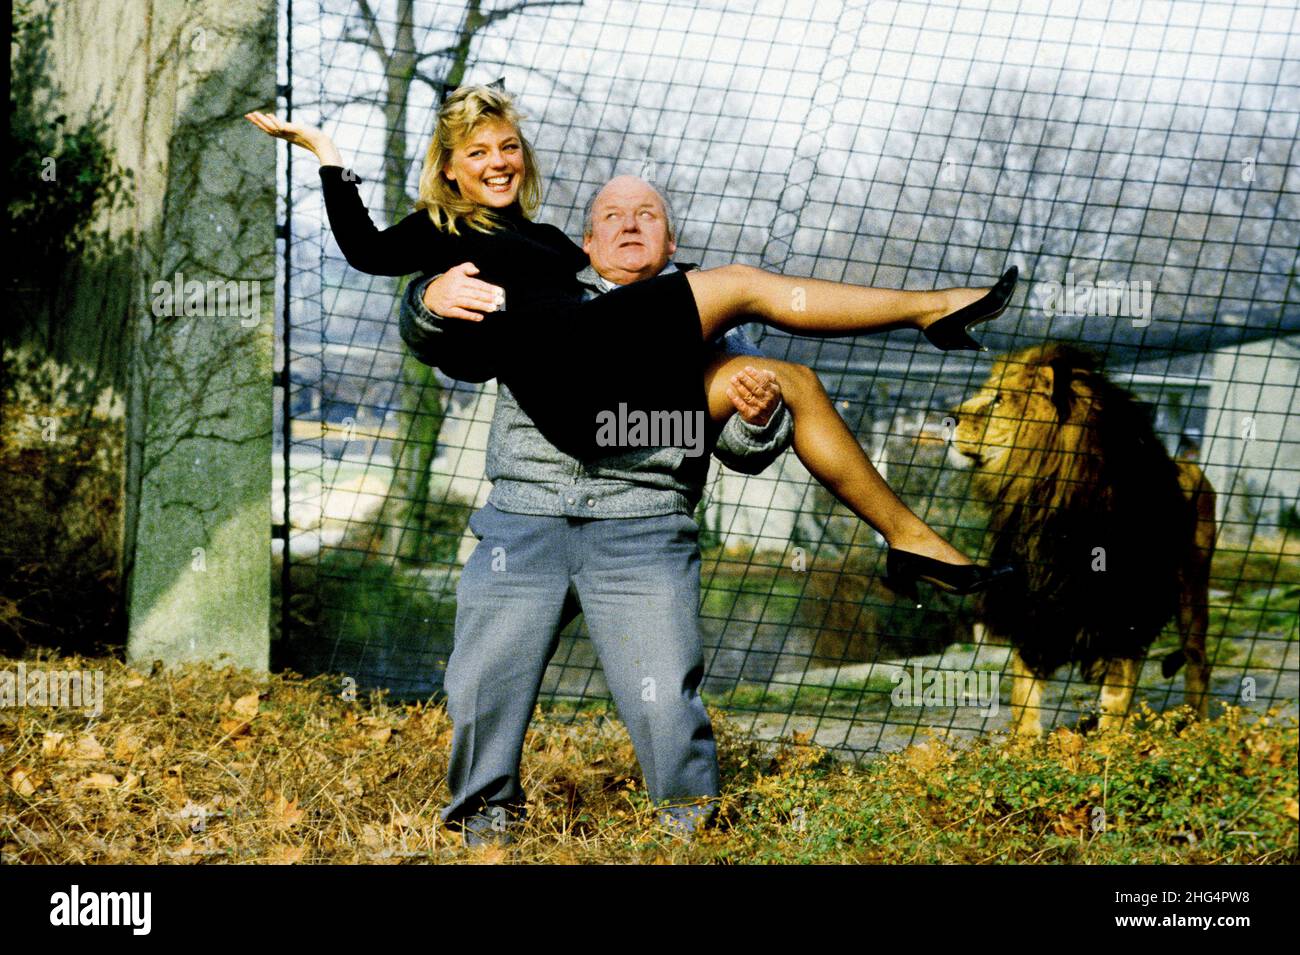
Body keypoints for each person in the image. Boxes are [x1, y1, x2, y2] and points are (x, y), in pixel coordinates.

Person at [244, 83, 1018, 595]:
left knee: (796, 384)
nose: (497, 162)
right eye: (476, 153)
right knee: (745, 281)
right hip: (571, 383)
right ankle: (932, 307)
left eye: (507, 146)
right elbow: (368, 254)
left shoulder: (550, 242)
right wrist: (331, 159)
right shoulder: (443, 228)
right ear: (448, 172)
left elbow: (716, 416)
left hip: (616, 406)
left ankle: (912, 540)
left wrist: (750, 410)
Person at [401, 177, 793, 842]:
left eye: (647, 215)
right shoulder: (540, 291)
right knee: (480, 686)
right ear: (587, 242)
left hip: (643, 528)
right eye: (611, 216)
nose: (629, 225)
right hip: (523, 521)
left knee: (666, 697)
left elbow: (742, 445)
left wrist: (758, 416)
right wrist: (426, 298)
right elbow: (436, 328)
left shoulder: (709, 318)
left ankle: (686, 835)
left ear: (673, 241)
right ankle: (484, 828)